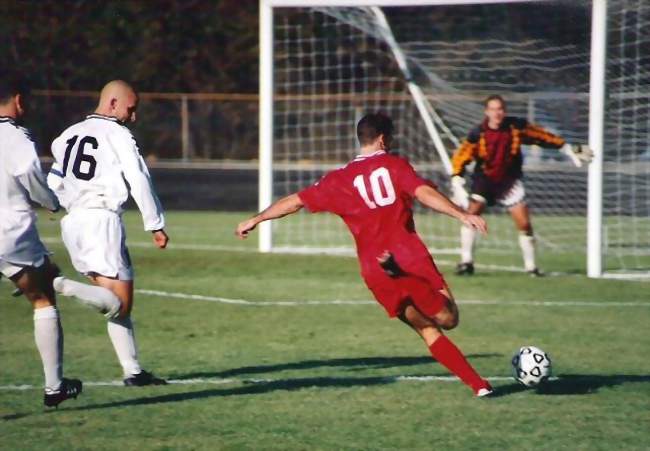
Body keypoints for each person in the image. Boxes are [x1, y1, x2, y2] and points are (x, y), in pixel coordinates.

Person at [237, 113, 493, 397]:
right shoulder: (394, 165)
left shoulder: (338, 179)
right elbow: (422, 192)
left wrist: (256, 219)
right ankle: (407, 281)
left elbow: (294, 202)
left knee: (428, 331)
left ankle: (480, 387)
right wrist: (461, 213)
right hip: (408, 257)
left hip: (375, 269)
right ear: (384, 139)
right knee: (449, 318)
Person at [0, 74, 121, 407]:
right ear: (19, 100)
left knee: (42, 278)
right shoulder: (14, 136)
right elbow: (28, 174)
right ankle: (54, 387)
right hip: (9, 234)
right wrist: (51, 202)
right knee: (42, 298)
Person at [48, 80, 169, 386]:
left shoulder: (67, 136)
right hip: (101, 221)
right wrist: (154, 222)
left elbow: (54, 181)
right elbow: (138, 177)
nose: (134, 116)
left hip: (73, 222)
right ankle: (58, 283)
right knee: (120, 305)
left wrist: (55, 206)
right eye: (131, 108)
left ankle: (133, 371)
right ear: (113, 103)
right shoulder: (118, 134)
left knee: (114, 302)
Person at [450, 95, 592, 276]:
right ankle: (466, 262)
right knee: (471, 216)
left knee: (524, 224)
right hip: (484, 181)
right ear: (487, 112)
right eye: (493, 109)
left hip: (509, 182)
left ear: (504, 110)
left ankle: (531, 268)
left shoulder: (515, 127)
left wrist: (566, 147)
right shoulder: (478, 133)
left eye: (500, 108)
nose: (497, 113)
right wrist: (456, 177)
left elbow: (541, 136)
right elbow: (462, 154)